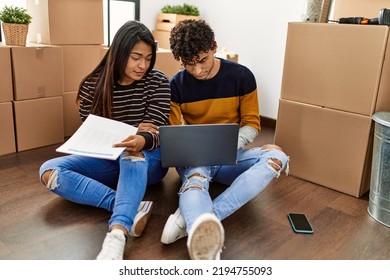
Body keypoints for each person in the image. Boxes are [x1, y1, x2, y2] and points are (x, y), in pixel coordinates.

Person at [39, 21, 171, 260]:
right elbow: (93, 134)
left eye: (148, 58)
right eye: (136, 57)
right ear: (119, 52)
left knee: (132, 154)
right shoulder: (93, 85)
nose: (143, 65)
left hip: (148, 161)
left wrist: (141, 139)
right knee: (49, 171)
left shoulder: (158, 82)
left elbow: (156, 132)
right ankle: (131, 206)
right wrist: (135, 130)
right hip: (108, 158)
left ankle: (117, 235)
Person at [160, 19, 289, 260]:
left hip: (231, 155)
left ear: (214, 47)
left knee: (277, 156)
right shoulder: (175, 85)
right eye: (189, 64)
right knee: (197, 175)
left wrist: (226, 146)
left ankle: (194, 219)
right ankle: (205, 237)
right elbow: (173, 131)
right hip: (194, 158)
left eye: (202, 60)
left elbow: (252, 124)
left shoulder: (242, 76)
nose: (197, 70)